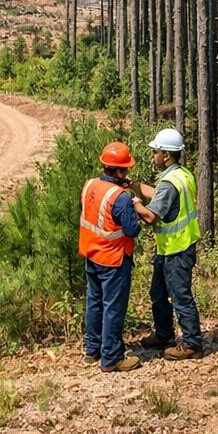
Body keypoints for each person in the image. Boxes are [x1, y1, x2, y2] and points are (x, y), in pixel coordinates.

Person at [133, 128, 203, 360]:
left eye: (155, 151)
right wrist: (136, 186)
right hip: (172, 247)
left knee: (180, 296)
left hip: (177, 249)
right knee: (158, 292)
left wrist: (133, 202)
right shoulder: (182, 174)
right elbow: (158, 194)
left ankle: (192, 344)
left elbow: (151, 216)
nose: (153, 155)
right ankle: (164, 335)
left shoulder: (170, 182)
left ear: (166, 155)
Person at [79, 141, 143, 372]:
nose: (127, 172)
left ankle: (92, 350)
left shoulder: (90, 185)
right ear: (117, 170)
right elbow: (132, 230)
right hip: (114, 259)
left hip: (91, 253)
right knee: (113, 307)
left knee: (94, 303)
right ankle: (112, 358)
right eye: (125, 169)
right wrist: (133, 203)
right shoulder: (121, 198)